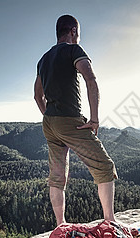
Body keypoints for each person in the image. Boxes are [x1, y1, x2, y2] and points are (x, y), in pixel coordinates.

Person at [34, 15, 118, 226]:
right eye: (78, 33)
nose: (78, 37)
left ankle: (61, 225)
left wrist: (48, 115)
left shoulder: (43, 59)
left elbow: (37, 95)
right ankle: (110, 222)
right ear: (72, 31)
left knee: (57, 175)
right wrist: (95, 119)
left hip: (49, 123)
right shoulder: (74, 50)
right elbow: (90, 79)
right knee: (105, 167)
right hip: (69, 120)